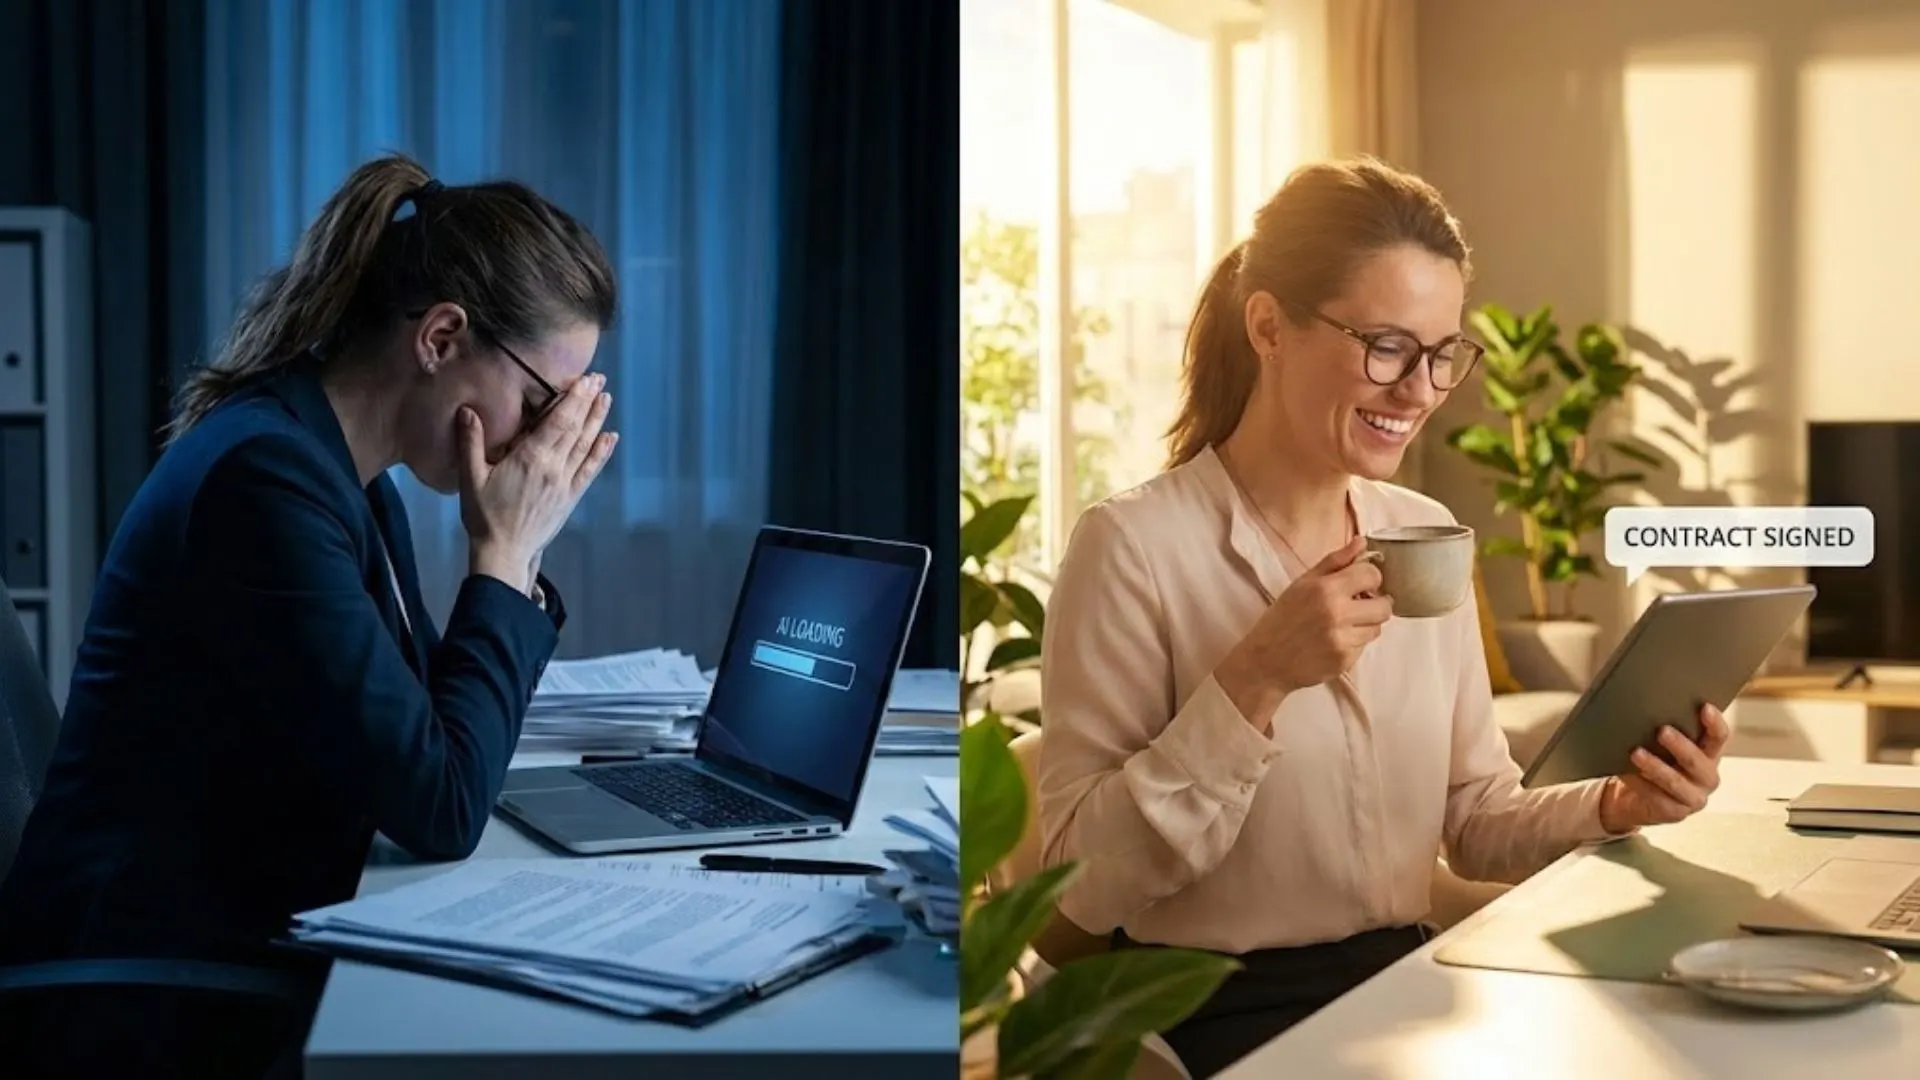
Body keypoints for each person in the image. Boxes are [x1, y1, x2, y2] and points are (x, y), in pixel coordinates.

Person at [1035, 157, 1728, 1079]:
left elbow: (1477, 819)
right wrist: (1256, 679)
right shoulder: (1131, 547)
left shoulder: (1425, 533)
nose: (1421, 391)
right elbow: (1083, 885)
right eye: (1387, 346)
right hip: (1206, 1006)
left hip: (1410, 976)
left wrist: (1615, 803)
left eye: (1443, 353)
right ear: (1269, 326)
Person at [0, 153, 619, 1078]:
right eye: (540, 401)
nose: (544, 441)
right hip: (154, 989)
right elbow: (440, 802)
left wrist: (507, 569)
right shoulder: (266, 483)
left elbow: (422, 734)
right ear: (441, 338)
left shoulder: (338, 475)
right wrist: (505, 557)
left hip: (232, 926)